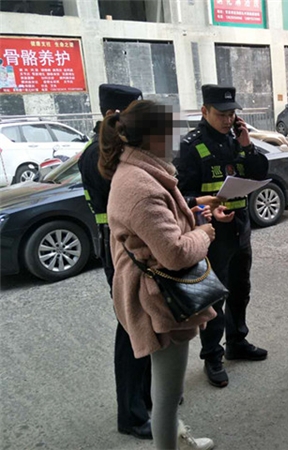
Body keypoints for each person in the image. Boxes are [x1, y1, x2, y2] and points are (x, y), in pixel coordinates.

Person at [99, 100, 216, 450]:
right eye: (172, 130)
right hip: (158, 301)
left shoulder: (143, 172)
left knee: (164, 388)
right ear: (153, 137)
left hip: (155, 292)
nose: (179, 137)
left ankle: (176, 434)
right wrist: (204, 234)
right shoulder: (141, 186)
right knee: (167, 395)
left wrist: (193, 211)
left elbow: (157, 227)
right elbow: (174, 253)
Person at [177, 85, 269, 388]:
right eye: (221, 114)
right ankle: (212, 356)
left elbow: (259, 173)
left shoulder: (237, 140)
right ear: (205, 111)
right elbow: (182, 196)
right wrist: (208, 208)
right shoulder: (192, 146)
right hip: (212, 232)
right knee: (214, 296)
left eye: (232, 114)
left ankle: (237, 342)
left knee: (241, 289)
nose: (228, 120)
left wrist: (248, 146)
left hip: (240, 228)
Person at [77, 84, 154, 440]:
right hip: (119, 248)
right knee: (131, 327)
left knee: (147, 321)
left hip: (129, 243)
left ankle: (149, 397)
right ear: (113, 115)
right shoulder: (100, 154)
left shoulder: (116, 149)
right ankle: (131, 414)